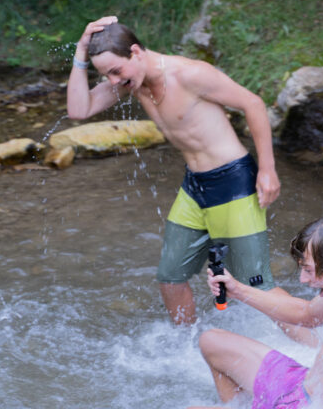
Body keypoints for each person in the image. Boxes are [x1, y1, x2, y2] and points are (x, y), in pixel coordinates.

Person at [67, 16, 281, 325]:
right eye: (106, 75)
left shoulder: (190, 74)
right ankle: (191, 350)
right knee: (171, 277)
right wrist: (81, 50)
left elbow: (253, 104)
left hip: (233, 182)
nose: (113, 81)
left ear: (137, 53)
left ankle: (315, 350)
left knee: (257, 286)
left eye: (116, 71)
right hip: (194, 186)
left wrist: (268, 170)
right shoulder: (132, 83)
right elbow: (78, 110)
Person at [191, 218, 323, 409]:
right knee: (211, 341)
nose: (302, 279)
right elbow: (306, 314)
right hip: (301, 385)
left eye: (309, 270)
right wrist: (237, 290)